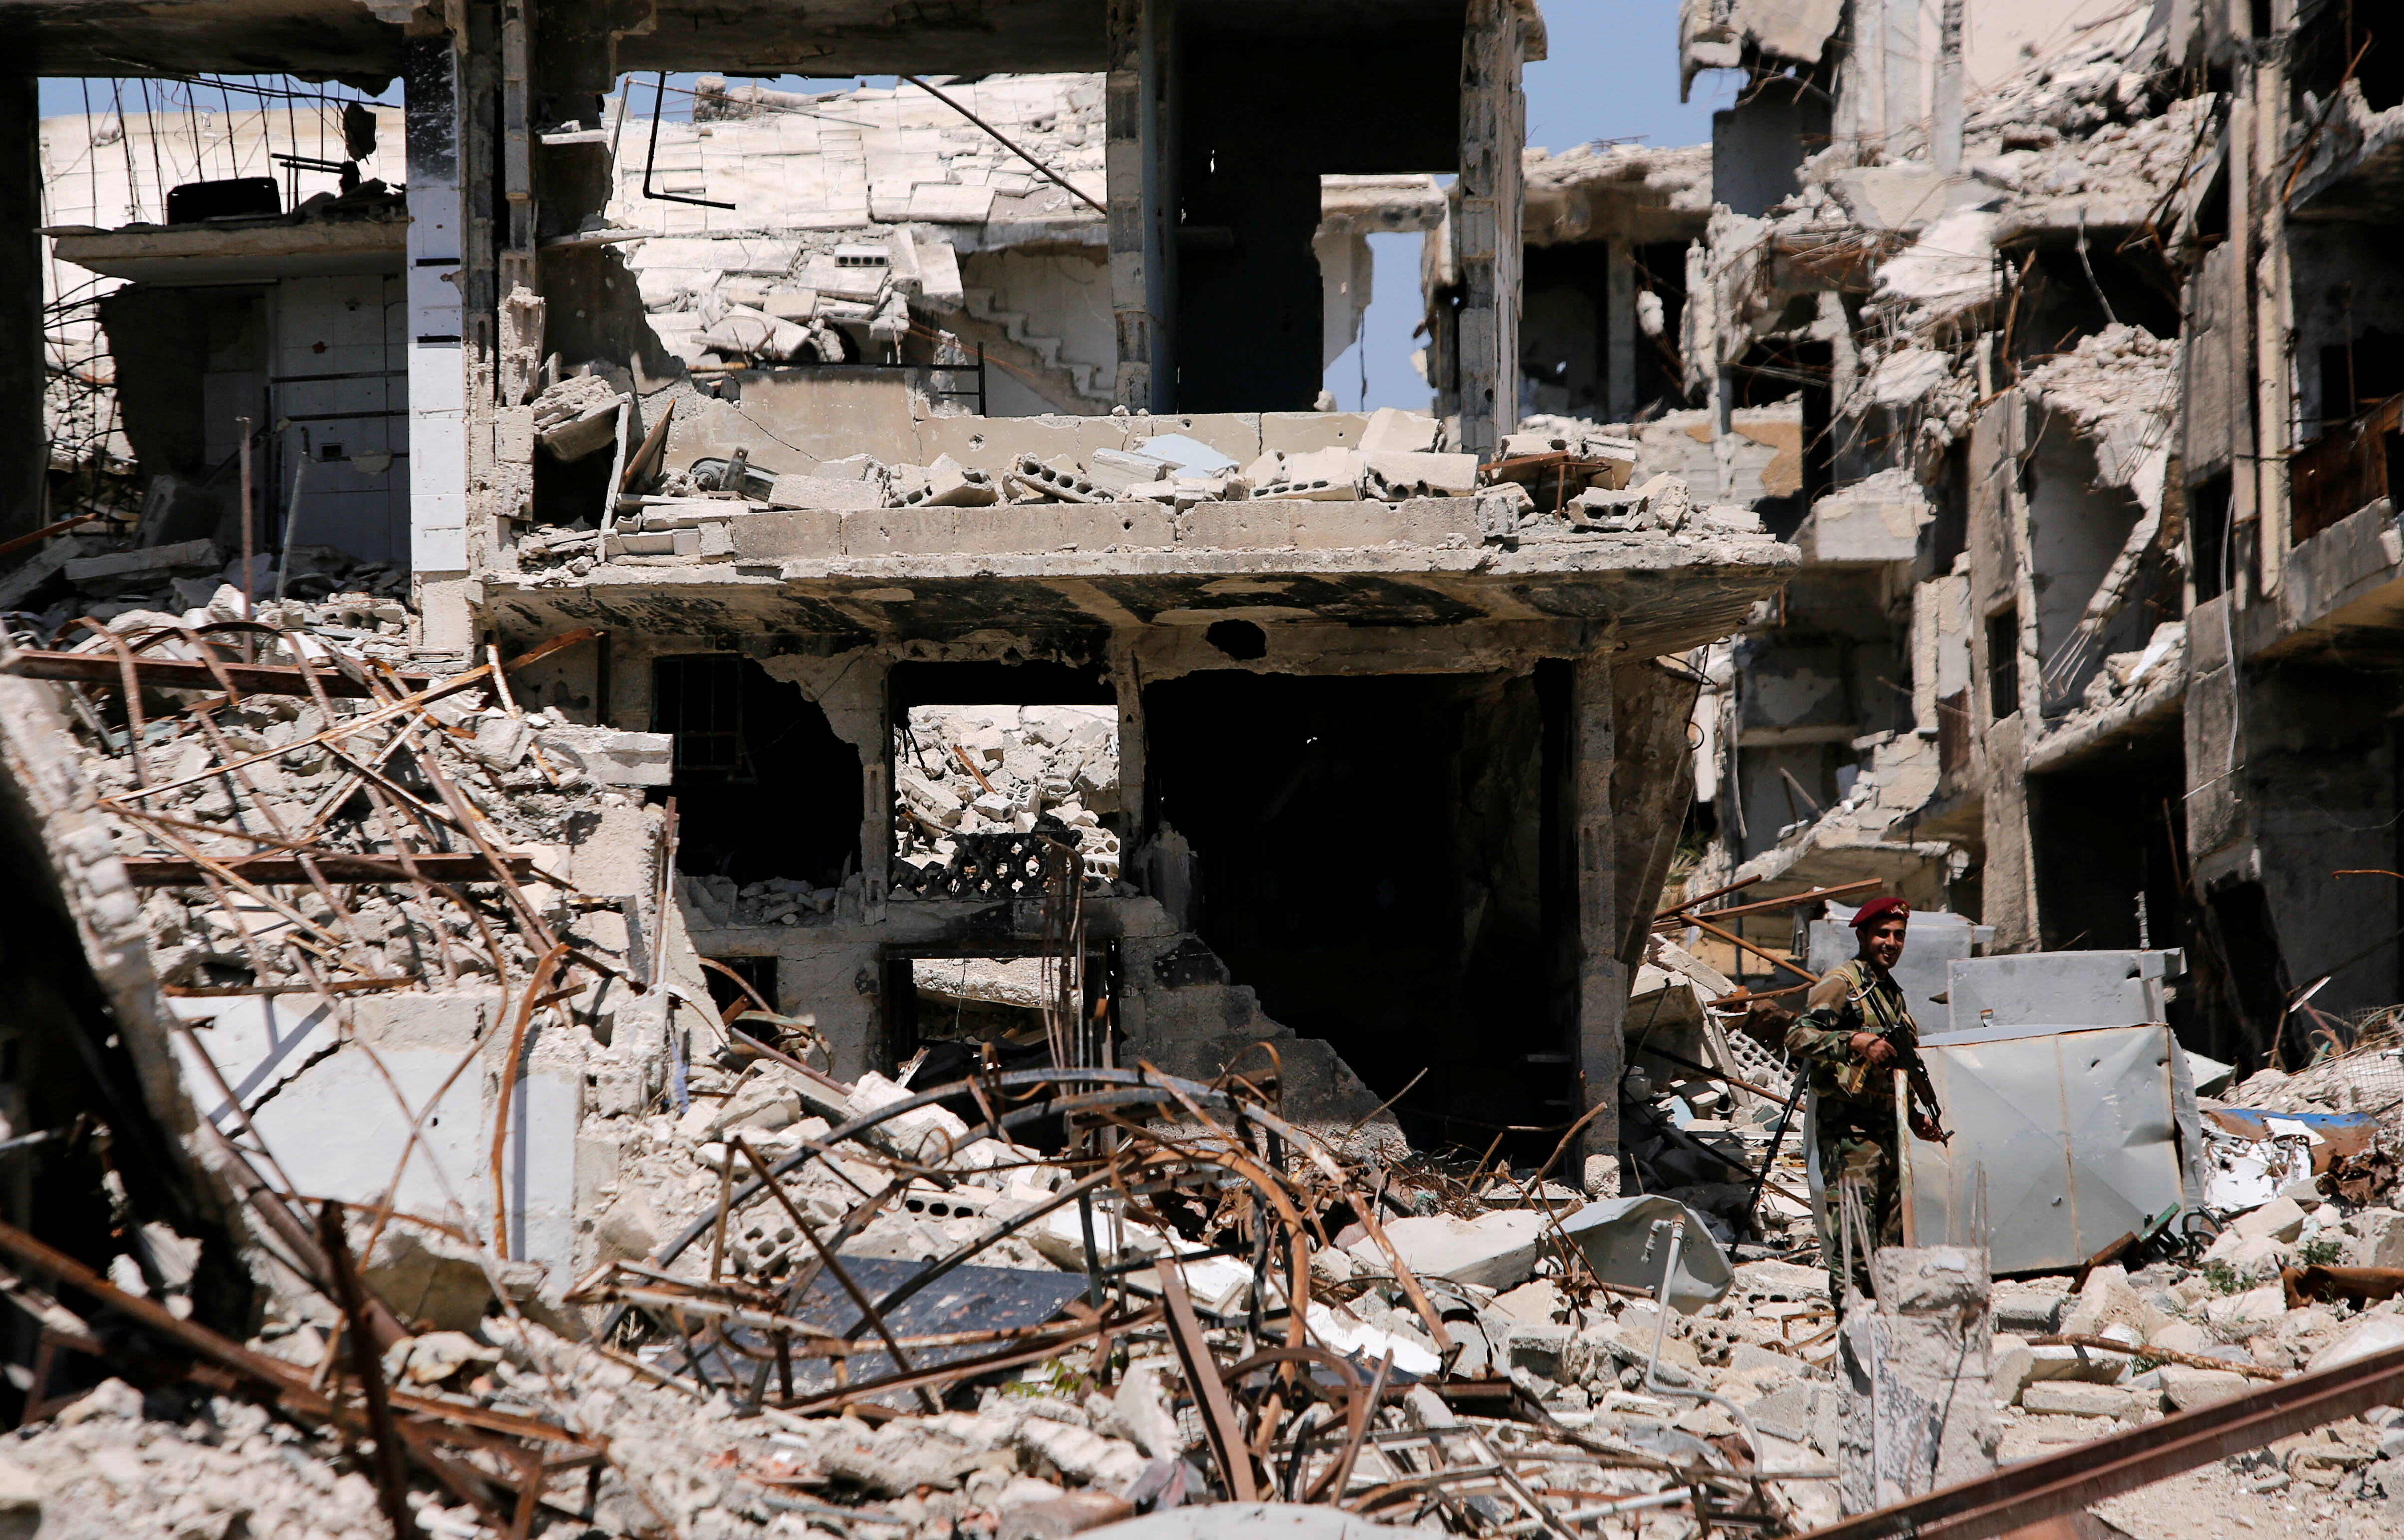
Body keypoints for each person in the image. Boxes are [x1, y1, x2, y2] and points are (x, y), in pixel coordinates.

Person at [1783, 896, 1949, 1307]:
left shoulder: (1891, 994)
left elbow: (1895, 1070)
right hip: (1849, 1134)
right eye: (1883, 934)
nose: (1891, 943)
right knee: (1855, 1241)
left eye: (1899, 936)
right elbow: (1796, 1037)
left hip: (1886, 1134)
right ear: (1862, 935)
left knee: (1891, 1244)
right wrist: (1855, 1040)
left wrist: (1913, 1118)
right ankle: (1852, 1326)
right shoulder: (1843, 983)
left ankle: (1885, 1326)